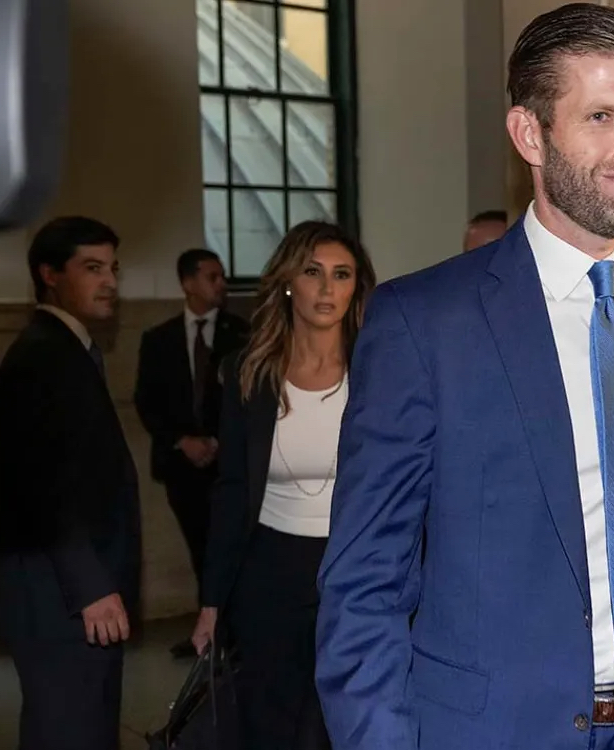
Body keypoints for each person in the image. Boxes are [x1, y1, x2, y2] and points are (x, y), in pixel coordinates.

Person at [315, 4, 614, 750]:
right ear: (529, 134)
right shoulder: (425, 323)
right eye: (601, 115)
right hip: (508, 729)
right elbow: (364, 587)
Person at [193, 221, 376, 750]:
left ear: (355, 287)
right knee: (270, 719)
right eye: (313, 272)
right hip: (268, 570)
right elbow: (230, 492)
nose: (326, 288)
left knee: (341, 720)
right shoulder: (249, 374)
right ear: (289, 282)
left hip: (355, 568)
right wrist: (211, 601)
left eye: (341, 275)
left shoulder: (379, 369)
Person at [0, 216, 141, 750]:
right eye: (93, 268)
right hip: (60, 597)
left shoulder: (65, 350)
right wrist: (92, 587)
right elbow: (43, 485)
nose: (111, 283)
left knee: (90, 730)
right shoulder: (44, 356)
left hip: (69, 592)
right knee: (68, 732)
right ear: (49, 274)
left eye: (114, 268)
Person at [134, 248, 248, 657]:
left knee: (230, 545)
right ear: (187, 283)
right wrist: (183, 441)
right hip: (181, 466)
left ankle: (234, 632)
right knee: (199, 546)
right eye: (212, 277)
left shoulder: (242, 334)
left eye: (222, 277)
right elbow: (147, 401)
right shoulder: (158, 339)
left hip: (227, 463)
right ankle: (209, 629)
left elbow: (250, 397)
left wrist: (219, 440)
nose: (222, 284)